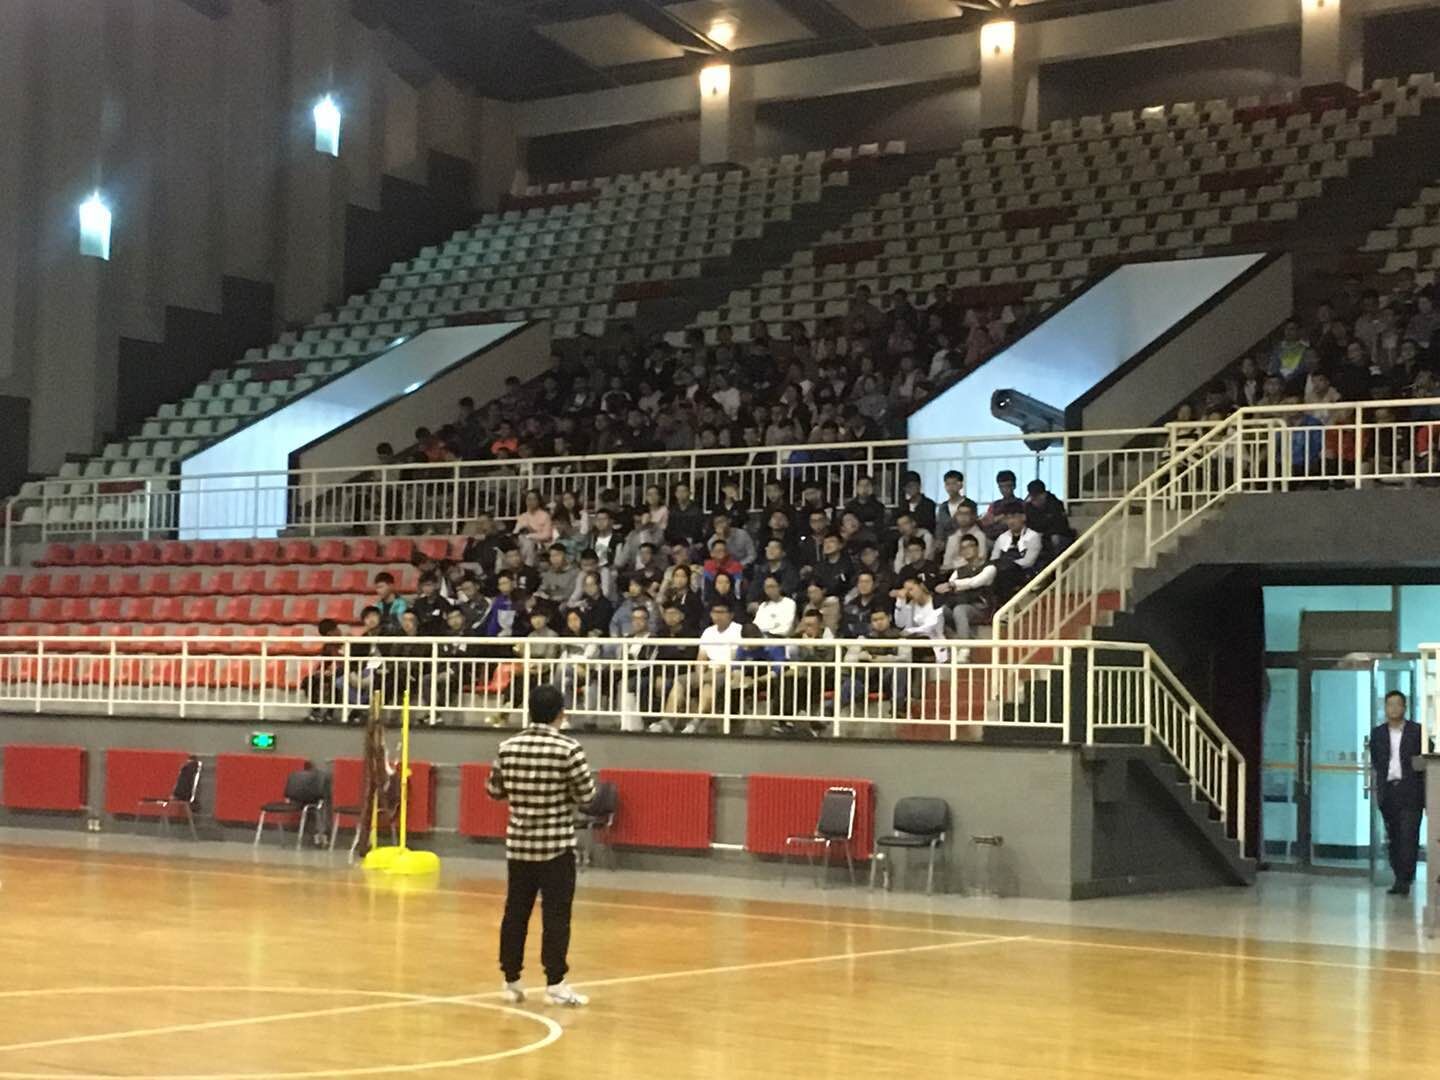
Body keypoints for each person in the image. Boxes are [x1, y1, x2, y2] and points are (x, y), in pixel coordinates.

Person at [486, 684, 596, 1007]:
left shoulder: (507, 747)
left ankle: (511, 980)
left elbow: (494, 791)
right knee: (556, 916)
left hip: (519, 845)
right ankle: (556, 983)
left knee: (515, 913)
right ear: (560, 713)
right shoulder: (569, 749)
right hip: (556, 846)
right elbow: (587, 795)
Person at [1369, 690, 1426, 897]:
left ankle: (1405, 880)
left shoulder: (1417, 731)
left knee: (1409, 836)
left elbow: (1425, 760)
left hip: (1411, 790)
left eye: (1397, 704)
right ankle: (1398, 876)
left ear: (1405, 707)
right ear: (1385, 708)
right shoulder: (1378, 733)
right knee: (1394, 838)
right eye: (1390, 704)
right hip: (1389, 791)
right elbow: (1377, 761)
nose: (1393, 708)